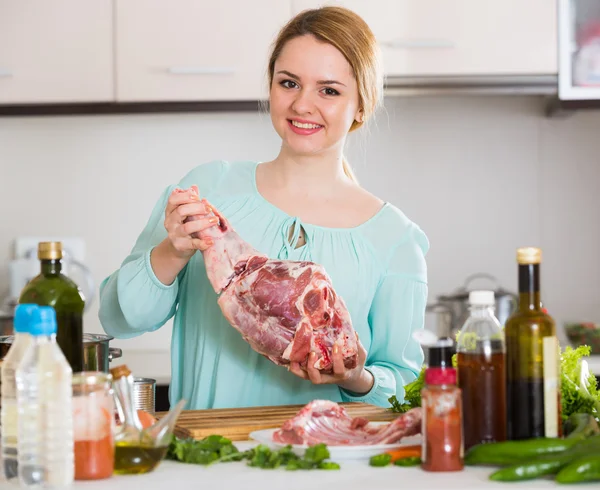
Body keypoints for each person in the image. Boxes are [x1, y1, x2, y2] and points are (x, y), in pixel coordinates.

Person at [99, 6, 429, 410]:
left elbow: (407, 389)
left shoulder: (394, 239)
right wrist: (173, 251)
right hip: (206, 460)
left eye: (329, 90)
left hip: (325, 465)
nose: (302, 105)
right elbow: (118, 319)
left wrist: (358, 377)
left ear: (362, 104)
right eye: (289, 83)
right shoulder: (210, 190)